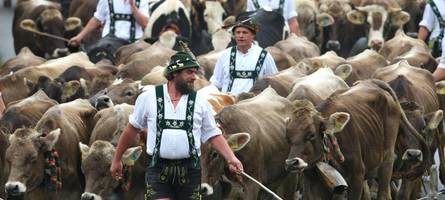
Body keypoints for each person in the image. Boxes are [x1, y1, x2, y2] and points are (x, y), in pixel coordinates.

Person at [110, 52, 244, 199]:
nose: (194, 77)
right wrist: (117, 159)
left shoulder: (200, 102)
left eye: (194, 72)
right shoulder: (148, 98)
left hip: (190, 169)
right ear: (174, 74)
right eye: (189, 72)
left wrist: (232, 158)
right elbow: (131, 130)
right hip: (158, 167)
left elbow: (212, 134)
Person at [210, 16, 279, 95]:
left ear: (253, 35)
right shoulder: (225, 55)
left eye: (244, 32)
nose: (240, 36)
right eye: (238, 32)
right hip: (228, 105)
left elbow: (273, 83)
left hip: (254, 105)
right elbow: (215, 84)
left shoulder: (264, 56)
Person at [68, 0, 149, 62]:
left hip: (134, 43)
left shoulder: (141, 1)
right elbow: (97, 18)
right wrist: (79, 36)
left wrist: (133, 7)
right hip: (109, 43)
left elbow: (145, 23)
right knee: (93, 54)